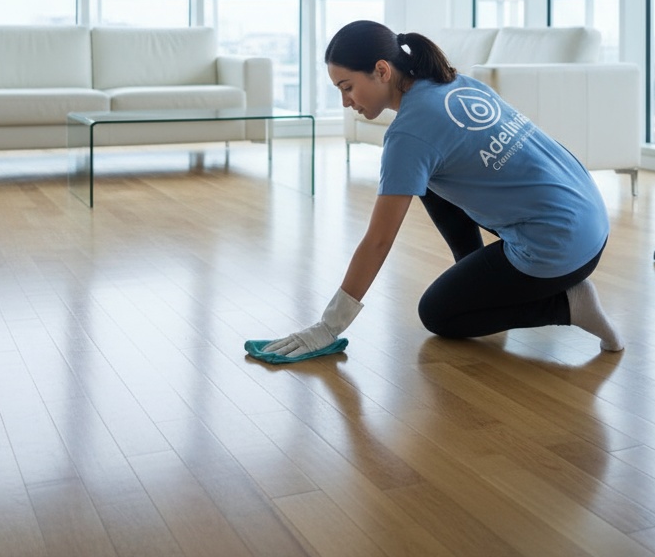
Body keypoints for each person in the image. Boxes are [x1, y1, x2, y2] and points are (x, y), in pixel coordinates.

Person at [255, 20, 624, 360]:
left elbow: (378, 241)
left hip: (560, 250)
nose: (345, 102)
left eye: (347, 88)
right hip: (591, 218)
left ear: (382, 70)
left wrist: (329, 326)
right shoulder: (456, 83)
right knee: (429, 181)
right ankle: (482, 282)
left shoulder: (409, 135)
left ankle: (569, 306)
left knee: (438, 314)